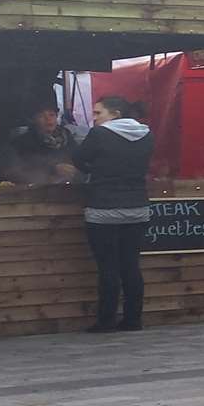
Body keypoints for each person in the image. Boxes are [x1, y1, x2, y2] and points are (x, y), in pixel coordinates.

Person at [74, 96, 155, 333]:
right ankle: (133, 319)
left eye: (99, 113)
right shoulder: (147, 134)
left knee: (108, 267)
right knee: (131, 266)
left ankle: (106, 320)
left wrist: (94, 170)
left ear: (115, 113)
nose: (95, 118)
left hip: (103, 208)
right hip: (138, 208)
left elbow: (78, 159)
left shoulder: (99, 134)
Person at [9, 99, 80, 184]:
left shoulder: (67, 136)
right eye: (42, 116)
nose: (48, 119)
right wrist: (53, 168)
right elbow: (20, 168)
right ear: (34, 119)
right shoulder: (23, 142)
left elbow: (78, 158)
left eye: (52, 115)